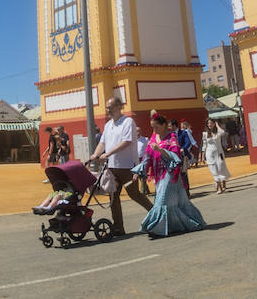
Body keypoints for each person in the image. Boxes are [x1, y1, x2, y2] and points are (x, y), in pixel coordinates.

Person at [87, 95, 151, 238]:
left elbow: (127, 142)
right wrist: (95, 154)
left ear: (118, 107)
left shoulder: (128, 122)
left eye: (110, 107)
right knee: (113, 197)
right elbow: (102, 143)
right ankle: (118, 228)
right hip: (112, 168)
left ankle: (156, 214)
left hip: (128, 166)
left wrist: (108, 153)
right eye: (107, 107)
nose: (107, 110)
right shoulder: (108, 125)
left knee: (134, 194)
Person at [135, 111, 206, 237]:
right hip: (158, 173)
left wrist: (161, 150)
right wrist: (140, 171)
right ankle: (174, 226)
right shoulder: (153, 138)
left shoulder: (172, 137)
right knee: (168, 201)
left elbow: (176, 156)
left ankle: (156, 227)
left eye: (156, 127)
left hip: (170, 173)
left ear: (163, 125)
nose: (154, 129)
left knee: (162, 199)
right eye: (153, 127)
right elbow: (147, 157)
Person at [202, 118, 230, 194]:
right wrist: (202, 156)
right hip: (209, 154)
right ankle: (219, 187)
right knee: (214, 171)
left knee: (221, 168)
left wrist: (217, 125)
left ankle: (223, 181)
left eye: (211, 123)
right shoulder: (205, 134)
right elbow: (204, 146)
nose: (209, 124)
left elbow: (223, 132)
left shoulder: (218, 132)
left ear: (214, 124)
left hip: (219, 154)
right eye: (208, 123)